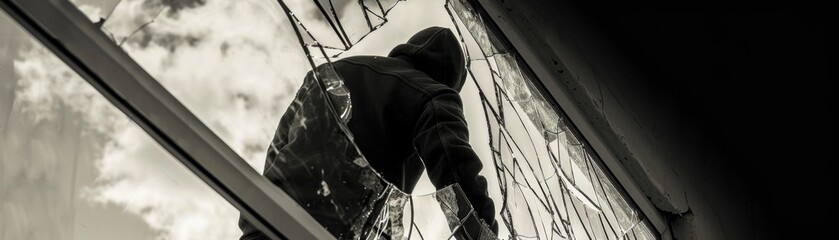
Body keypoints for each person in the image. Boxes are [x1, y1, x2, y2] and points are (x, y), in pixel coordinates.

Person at [239, 26, 496, 239]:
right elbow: (455, 169)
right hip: (332, 229)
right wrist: (483, 234)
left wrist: (255, 216)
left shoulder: (330, 71)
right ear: (451, 80)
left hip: (267, 217)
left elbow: (278, 147)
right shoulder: (434, 95)